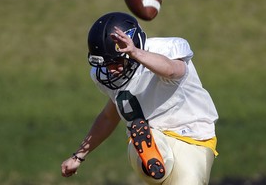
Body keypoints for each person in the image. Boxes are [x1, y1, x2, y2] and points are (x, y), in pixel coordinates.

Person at [61, 12, 219, 184]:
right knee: (152, 152)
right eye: (106, 64)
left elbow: (173, 70)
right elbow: (108, 117)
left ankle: (154, 162)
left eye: (115, 62)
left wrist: (136, 53)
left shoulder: (165, 50)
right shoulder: (106, 76)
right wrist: (78, 156)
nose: (110, 70)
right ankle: (150, 157)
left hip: (194, 136)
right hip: (152, 133)